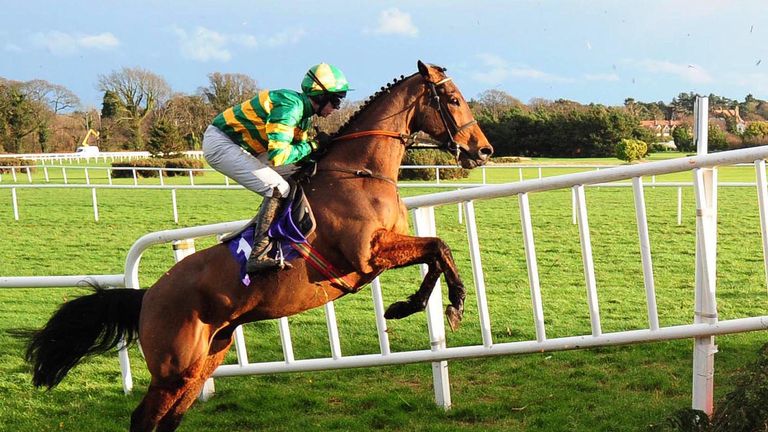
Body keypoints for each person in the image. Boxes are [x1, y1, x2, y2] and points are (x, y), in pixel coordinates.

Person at [203, 63, 350, 274]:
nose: (336, 107)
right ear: (319, 95)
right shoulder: (290, 106)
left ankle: (278, 233)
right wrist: (315, 145)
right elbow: (280, 155)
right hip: (221, 144)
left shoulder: (304, 117)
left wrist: (319, 151)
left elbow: (300, 158)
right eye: (335, 100)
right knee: (278, 188)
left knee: (296, 174)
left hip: (245, 147)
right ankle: (258, 254)